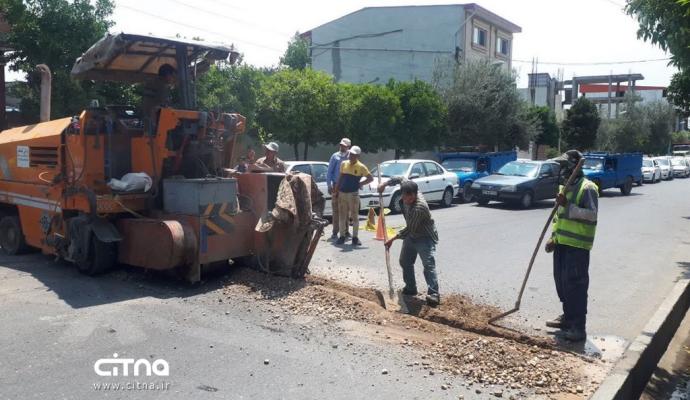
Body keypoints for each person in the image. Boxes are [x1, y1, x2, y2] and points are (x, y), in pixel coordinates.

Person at [544, 149, 599, 342]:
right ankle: (567, 318)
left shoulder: (587, 188)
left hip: (578, 247)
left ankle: (578, 327)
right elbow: (559, 218)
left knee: (575, 285)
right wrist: (553, 237)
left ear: (573, 167)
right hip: (562, 244)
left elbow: (591, 214)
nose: (560, 170)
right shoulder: (564, 187)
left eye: (563, 166)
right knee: (562, 284)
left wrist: (568, 205)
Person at [378, 179, 440, 307]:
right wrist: (384, 184)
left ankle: (434, 294)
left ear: (415, 195)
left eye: (411, 197)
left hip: (424, 236)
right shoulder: (406, 187)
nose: (408, 200)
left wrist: (393, 238)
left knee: (428, 265)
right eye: (406, 197)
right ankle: (411, 288)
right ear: (403, 194)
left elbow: (410, 228)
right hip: (411, 235)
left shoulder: (419, 207)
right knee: (405, 261)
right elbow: (400, 178)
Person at [333, 146, 372, 246]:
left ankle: (355, 237)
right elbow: (340, 178)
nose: (351, 156)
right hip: (342, 193)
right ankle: (342, 236)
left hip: (353, 194)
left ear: (358, 156)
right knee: (342, 215)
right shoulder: (343, 164)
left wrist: (360, 184)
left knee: (354, 216)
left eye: (353, 155)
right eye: (350, 154)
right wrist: (336, 190)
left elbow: (370, 178)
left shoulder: (361, 167)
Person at [327, 138, 352, 239]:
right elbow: (329, 172)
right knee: (336, 209)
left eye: (344, 146)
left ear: (348, 147)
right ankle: (335, 231)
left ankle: (346, 231)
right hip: (336, 186)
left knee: (346, 209)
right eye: (341, 145)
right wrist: (329, 185)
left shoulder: (351, 156)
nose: (342, 147)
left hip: (347, 186)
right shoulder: (335, 156)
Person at [141, 64, 176, 131]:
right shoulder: (161, 86)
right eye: (172, 76)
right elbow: (164, 105)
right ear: (167, 75)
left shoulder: (151, 82)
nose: (173, 78)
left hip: (147, 119)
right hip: (155, 122)